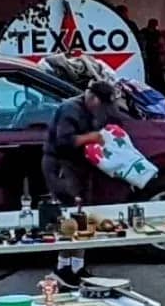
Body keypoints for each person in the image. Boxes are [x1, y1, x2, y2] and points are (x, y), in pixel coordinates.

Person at [42, 80, 121, 288]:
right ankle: (62, 267)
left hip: (81, 167)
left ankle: (77, 266)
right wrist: (91, 137)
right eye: (101, 104)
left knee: (83, 216)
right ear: (92, 98)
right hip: (61, 166)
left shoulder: (96, 110)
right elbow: (64, 142)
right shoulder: (70, 109)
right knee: (70, 215)